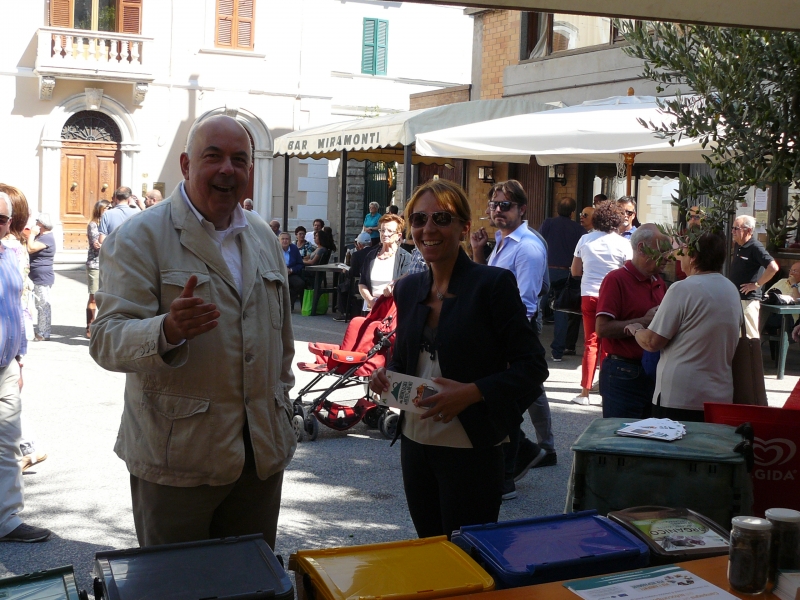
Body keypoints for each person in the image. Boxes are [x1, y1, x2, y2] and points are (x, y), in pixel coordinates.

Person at [89, 115, 296, 548]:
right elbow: (105, 338)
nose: (227, 169)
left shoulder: (262, 236)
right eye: (213, 157)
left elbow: (283, 347)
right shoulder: (139, 236)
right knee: (176, 585)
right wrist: (166, 330)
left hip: (259, 459)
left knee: (249, 585)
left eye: (239, 159)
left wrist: (281, 412)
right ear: (185, 165)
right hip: (178, 461)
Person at [368, 179, 547, 538]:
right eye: (419, 219)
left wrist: (472, 392)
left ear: (464, 227)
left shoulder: (492, 285)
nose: (428, 228)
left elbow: (533, 367)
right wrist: (385, 376)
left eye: (441, 218)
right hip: (416, 445)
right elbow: (405, 360)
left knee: (469, 558)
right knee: (430, 549)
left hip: (473, 449)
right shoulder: (408, 287)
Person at [470, 180, 555, 500]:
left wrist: (507, 348)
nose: (497, 211)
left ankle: (509, 474)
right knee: (501, 403)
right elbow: (487, 287)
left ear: (522, 209)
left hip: (515, 334)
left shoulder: (527, 247)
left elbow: (526, 304)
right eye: (494, 205)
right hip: (498, 333)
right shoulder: (500, 241)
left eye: (505, 205)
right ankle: (526, 453)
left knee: (503, 404)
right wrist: (479, 254)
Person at [629, 232, 742, 421]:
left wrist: (635, 329)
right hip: (719, 394)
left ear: (694, 257)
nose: (679, 257)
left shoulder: (682, 288)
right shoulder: (730, 288)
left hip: (680, 396)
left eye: (683, 251)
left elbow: (652, 342)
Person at [0, 192, 51, 543]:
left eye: (1, 219)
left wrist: (19, 358)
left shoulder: (7, 257)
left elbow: (15, 310)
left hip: (4, 366)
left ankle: (7, 519)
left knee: (8, 443)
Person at [595, 225, 668, 418]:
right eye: (663, 251)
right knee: (622, 440)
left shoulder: (659, 282)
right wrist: (644, 321)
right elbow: (602, 329)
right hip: (623, 373)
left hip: (653, 372)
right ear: (642, 248)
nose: (668, 258)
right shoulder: (616, 279)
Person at [571, 202, 632, 406]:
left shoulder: (585, 239)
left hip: (588, 293)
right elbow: (628, 271)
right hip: (612, 296)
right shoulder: (623, 243)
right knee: (608, 342)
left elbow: (575, 271)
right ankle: (606, 391)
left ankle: (585, 392)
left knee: (591, 342)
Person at [540, 197, 586, 361]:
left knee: (536, 309)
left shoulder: (548, 224)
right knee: (561, 312)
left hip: (545, 271)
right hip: (566, 273)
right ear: (573, 212)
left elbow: (540, 244)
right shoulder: (579, 230)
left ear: (557, 208)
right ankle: (558, 351)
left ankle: (532, 347)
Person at [729, 215, 778, 338]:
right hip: (736, 297)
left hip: (748, 300)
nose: (732, 231)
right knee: (737, 335)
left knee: (749, 336)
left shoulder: (755, 247)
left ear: (749, 230)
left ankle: (753, 357)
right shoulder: (738, 245)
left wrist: (756, 285)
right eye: (732, 228)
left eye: (736, 228)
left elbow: (773, 268)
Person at [358, 213, 411, 312]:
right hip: (371, 309)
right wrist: (371, 300)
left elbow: (406, 283)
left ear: (398, 235)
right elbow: (362, 283)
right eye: (382, 230)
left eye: (389, 231)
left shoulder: (406, 258)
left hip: (393, 311)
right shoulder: (371, 256)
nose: (385, 234)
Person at [27, 214, 56, 342]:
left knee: (43, 305)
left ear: (42, 225)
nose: (35, 224)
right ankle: (42, 331)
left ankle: (43, 333)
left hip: (42, 276)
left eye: (37, 222)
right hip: (37, 275)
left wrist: (32, 234)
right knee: (40, 304)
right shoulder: (43, 237)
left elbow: (30, 248)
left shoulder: (48, 238)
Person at [333, 231, 372, 322]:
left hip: (359, 283)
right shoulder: (376, 252)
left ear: (359, 245)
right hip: (372, 283)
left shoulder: (356, 255)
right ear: (370, 243)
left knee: (341, 286)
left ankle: (344, 313)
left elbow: (354, 272)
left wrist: (346, 271)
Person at [86, 200, 110, 338]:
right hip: (95, 264)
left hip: (107, 263)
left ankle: (102, 326)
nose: (108, 210)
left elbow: (102, 243)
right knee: (94, 296)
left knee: (107, 297)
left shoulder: (108, 223)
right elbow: (97, 244)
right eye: (106, 208)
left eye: (109, 208)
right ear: (99, 209)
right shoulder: (93, 224)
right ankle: (89, 326)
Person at [279, 232, 305, 310]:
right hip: (279, 273)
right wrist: (283, 269)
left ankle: (289, 303)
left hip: (291, 273)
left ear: (290, 241)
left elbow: (300, 264)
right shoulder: (275, 248)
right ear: (279, 240)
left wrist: (291, 270)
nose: (285, 241)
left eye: (287, 239)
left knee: (300, 283)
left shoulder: (294, 248)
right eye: (282, 239)